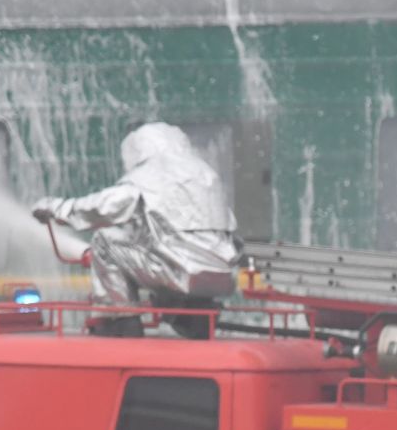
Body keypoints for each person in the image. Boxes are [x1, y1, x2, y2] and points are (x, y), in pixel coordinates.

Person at [30, 122, 240, 335]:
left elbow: (104, 207)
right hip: (221, 275)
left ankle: (120, 320)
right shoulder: (205, 173)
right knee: (160, 249)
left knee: (104, 242)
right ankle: (190, 313)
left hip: (179, 270)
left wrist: (57, 208)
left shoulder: (152, 172)